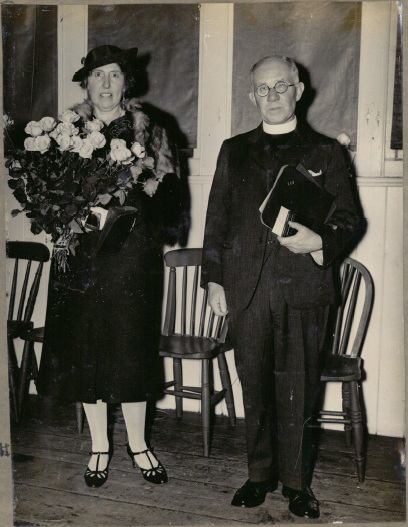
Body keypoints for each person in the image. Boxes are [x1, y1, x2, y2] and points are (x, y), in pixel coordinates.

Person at [201, 55, 359, 518]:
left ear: (299, 90)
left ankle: (297, 484)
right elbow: (216, 223)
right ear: (252, 96)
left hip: (305, 291)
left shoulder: (327, 152)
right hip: (246, 291)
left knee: (300, 389)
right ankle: (259, 475)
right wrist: (213, 281)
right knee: (254, 387)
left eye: (280, 87)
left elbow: (350, 220)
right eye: (262, 89)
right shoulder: (233, 149)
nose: (271, 96)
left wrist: (319, 241)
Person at [37, 45, 182, 488]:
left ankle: (139, 445)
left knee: (130, 351)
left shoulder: (153, 129)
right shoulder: (64, 131)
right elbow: (48, 192)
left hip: (131, 261)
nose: (105, 84)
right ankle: (100, 444)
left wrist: (142, 231)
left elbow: (171, 194)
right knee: (86, 352)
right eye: (97, 75)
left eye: (113, 75)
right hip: (79, 259)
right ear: (86, 83)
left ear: (126, 82)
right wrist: (66, 218)